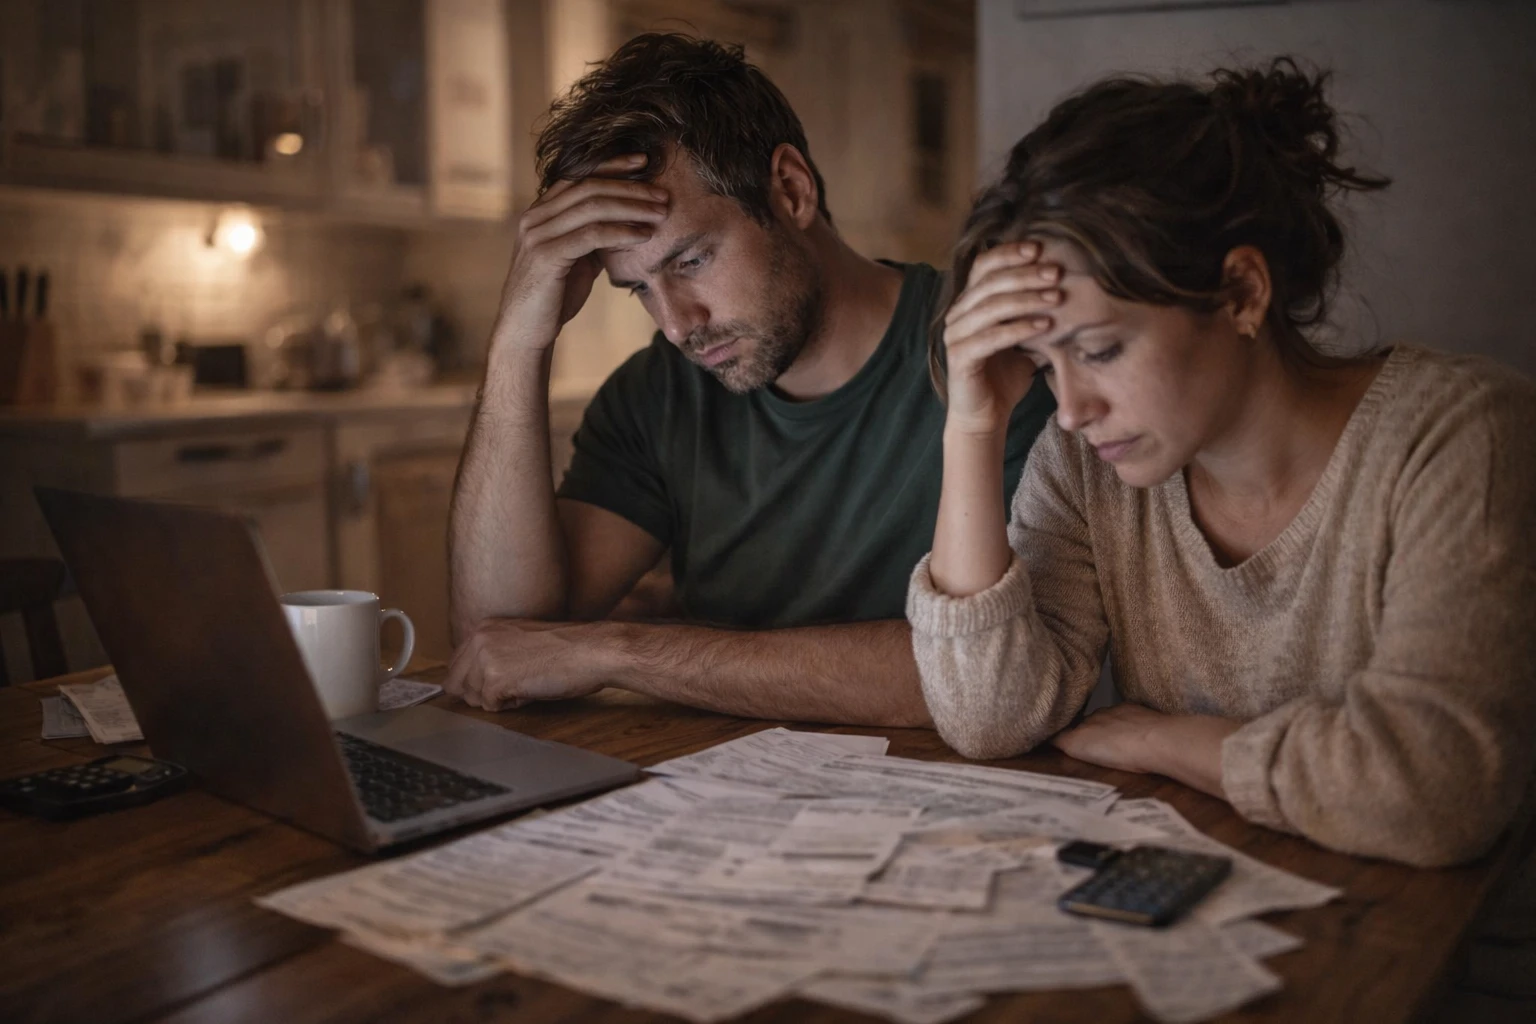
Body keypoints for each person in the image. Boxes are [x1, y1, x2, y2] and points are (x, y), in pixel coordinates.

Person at [909, 58, 1536, 867]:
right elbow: (987, 718)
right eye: (1043, 360)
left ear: (1241, 291)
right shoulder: (1087, 463)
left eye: (1099, 349)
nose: (1070, 408)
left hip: (1445, 965)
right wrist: (973, 424)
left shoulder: (1460, 436)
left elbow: (1432, 791)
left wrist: (1178, 743)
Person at [446, 33, 1055, 725]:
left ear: (791, 190)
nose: (676, 324)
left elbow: (980, 672)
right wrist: (517, 342)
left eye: (693, 260)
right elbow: (498, 649)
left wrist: (619, 652)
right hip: (717, 802)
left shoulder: (992, 361)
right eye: (638, 289)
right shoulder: (657, 395)